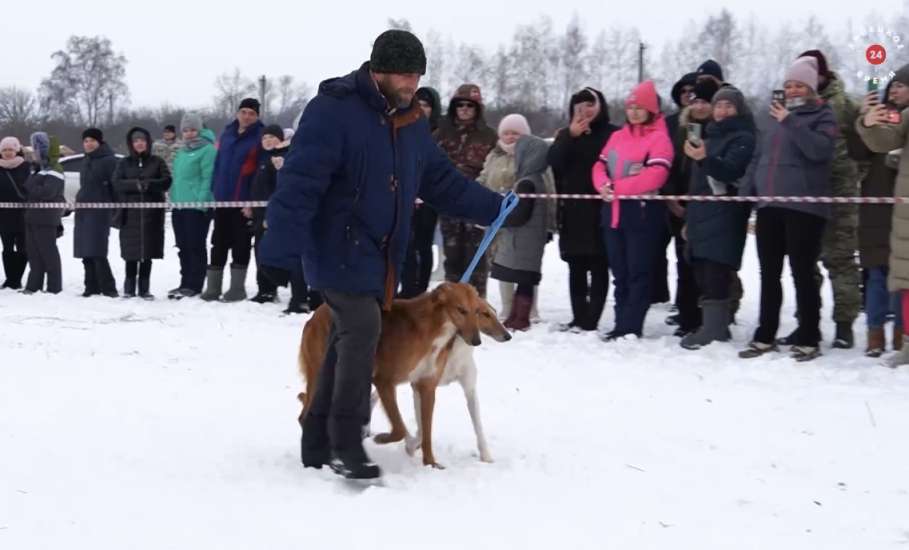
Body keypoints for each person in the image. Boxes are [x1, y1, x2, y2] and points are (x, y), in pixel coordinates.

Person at [263, 30, 504, 479]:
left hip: (381, 257)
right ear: (377, 70)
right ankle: (347, 441)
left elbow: (442, 183)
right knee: (363, 329)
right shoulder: (333, 112)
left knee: (341, 344)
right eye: (403, 73)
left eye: (417, 74)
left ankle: (315, 439)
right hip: (337, 247)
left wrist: (495, 208)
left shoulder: (411, 123)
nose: (412, 83)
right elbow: (301, 181)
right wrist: (279, 242)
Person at [739, 56, 837, 362]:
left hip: (804, 206)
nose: (793, 91)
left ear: (811, 88)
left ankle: (809, 335)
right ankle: (765, 334)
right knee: (769, 273)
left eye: (799, 86)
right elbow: (759, 155)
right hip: (770, 204)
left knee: (802, 273)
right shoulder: (771, 118)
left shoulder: (823, 115)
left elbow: (819, 151)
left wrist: (790, 121)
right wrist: (748, 189)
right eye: (789, 85)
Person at [774, 50, 861, 349]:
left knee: (839, 258)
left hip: (839, 189)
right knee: (804, 260)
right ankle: (806, 321)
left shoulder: (844, 104)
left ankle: (844, 324)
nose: (795, 87)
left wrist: (856, 172)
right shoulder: (791, 107)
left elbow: (868, 137)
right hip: (806, 190)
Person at [592, 80, 674, 340]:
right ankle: (620, 323)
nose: (635, 112)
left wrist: (618, 187)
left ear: (652, 110)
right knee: (620, 273)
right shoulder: (617, 137)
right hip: (613, 213)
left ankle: (631, 325)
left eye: (641, 107)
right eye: (631, 107)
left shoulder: (659, 138)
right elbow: (598, 166)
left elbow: (656, 175)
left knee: (638, 271)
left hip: (641, 214)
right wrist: (603, 185)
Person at [679, 86, 756, 349]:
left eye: (729, 106)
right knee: (701, 269)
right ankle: (713, 325)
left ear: (739, 109)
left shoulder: (744, 137)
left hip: (726, 213)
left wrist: (704, 159)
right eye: (719, 106)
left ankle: (714, 329)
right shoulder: (709, 136)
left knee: (716, 270)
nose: (722, 111)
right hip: (701, 212)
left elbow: (731, 171)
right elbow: (696, 183)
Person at [548, 87, 618, 332]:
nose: (585, 110)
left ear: (600, 106)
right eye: (579, 106)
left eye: (590, 104)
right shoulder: (565, 135)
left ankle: (592, 319)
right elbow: (554, 163)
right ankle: (578, 318)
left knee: (599, 266)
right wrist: (570, 136)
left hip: (602, 209)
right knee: (575, 266)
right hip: (573, 212)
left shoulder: (613, 134)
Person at [852, 71, 909, 357]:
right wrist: (865, 121)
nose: (896, 91)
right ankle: (875, 335)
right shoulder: (881, 117)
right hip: (876, 208)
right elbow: (859, 152)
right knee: (876, 273)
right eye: (893, 85)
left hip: (904, 209)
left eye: (902, 85)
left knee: (904, 278)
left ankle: (902, 335)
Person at [663, 79, 720, 337]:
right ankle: (687, 317)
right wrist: (671, 196)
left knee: (707, 264)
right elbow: (673, 165)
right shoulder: (684, 128)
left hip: (710, 204)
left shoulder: (719, 130)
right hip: (682, 202)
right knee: (684, 261)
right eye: (695, 100)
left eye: (704, 101)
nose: (698, 106)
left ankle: (709, 319)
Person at [434, 83, 497, 297]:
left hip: (477, 201)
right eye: (460, 104)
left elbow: (494, 166)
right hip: (448, 200)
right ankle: (453, 305)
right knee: (452, 256)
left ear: (477, 108)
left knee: (477, 256)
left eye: (470, 105)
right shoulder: (441, 133)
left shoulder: (489, 136)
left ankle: (477, 305)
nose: (464, 108)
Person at [202, 98, 264, 302]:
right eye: (244, 111)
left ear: (257, 116)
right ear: (238, 113)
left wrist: (251, 202)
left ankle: (237, 289)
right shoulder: (227, 134)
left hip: (243, 202)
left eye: (251, 113)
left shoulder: (260, 136)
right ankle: (213, 287)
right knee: (218, 242)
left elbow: (259, 173)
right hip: (222, 199)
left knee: (241, 244)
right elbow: (218, 165)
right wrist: (213, 190)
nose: (247, 116)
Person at [491, 135, 553, 331]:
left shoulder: (527, 183)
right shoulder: (535, 179)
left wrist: (501, 220)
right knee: (524, 280)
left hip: (522, 240)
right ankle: (515, 316)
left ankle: (521, 318)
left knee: (524, 279)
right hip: (529, 239)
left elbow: (521, 214)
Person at [477, 113, 532, 319]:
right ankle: (507, 306)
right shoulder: (494, 155)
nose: (510, 137)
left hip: (524, 221)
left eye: (516, 133)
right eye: (506, 133)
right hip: (497, 218)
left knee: (524, 264)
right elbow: (483, 178)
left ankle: (528, 308)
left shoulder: (531, 157)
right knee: (501, 264)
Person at [112, 127, 172, 299]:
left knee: (147, 252)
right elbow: (116, 182)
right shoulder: (124, 163)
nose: (139, 143)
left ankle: (144, 288)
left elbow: (166, 181)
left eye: (142, 140)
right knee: (130, 253)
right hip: (129, 213)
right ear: (131, 144)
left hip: (151, 215)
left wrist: (148, 184)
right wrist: (135, 185)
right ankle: (129, 287)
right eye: (136, 140)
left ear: (148, 142)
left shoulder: (157, 161)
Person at [657, 72, 697, 312]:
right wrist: (669, 196)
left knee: (691, 256)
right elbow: (663, 160)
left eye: (693, 92)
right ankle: (674, 301)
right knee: (671, 253)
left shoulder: (703, 123)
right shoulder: (669, 123)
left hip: (696, 196)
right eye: (684, 91)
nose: (688, 96)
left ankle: (690, 305)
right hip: (669, 195)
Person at [399, 86, 442, 298]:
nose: (422, 108)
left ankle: (421, 287)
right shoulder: (405, 127)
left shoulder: (438, 132)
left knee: (423, 244)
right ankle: (407, 286)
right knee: (404, 242)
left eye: (426, 105)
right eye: (419, 103)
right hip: (405, 193)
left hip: (429, 195)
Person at [169, 113, 216, 299]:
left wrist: (201, 202)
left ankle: (195, 284)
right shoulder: (182, 151)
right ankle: (184, 282)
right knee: (183, 246)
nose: (189, 133)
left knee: (195, 245)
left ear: (200, 130)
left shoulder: (208, 150)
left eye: (193, 129)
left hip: (197, 207)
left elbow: (208, 178)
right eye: (186, 130)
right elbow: (178, 178)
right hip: (179, 205)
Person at [74, 128, 119, 298]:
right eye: (85, 141)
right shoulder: (86, 160)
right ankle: (91, 286)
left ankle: (108, 288)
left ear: (99, 142)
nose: (88, 144)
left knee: (97, 249)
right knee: (85, 249)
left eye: (92, 140)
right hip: (84, 208)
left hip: (100, 209)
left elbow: (115, 187)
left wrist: (115, 208)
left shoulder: (109, 160)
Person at [248, 124, 288, 304]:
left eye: (272, 137)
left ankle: (271, 288)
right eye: (265, 138)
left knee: (271, 252)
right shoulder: (264, 159)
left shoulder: (282, 158)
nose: (268, 140)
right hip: (259, 214)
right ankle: (263, 289)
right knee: (259, 251)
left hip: (273, 215)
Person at [22, 132, 65, 294]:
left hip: (46, 217)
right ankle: (34, 285)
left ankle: (54, 287)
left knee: (48, 253)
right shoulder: (38, 169)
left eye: (37, 148)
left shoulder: (55, 169)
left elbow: (47, 192)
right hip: (32, 216)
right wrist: (32, 185)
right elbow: (29, 187)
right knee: (33, 253)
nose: (35, 151)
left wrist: (31, 186)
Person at [0, 136, 30, 289]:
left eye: (10, 149)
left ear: (17, 150)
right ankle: (9, 278)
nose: (7, 153)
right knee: (7, 248)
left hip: (22, 214)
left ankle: (17, 279)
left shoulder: (26, 167)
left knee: (22, 247)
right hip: (3, 215)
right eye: (4, 150)